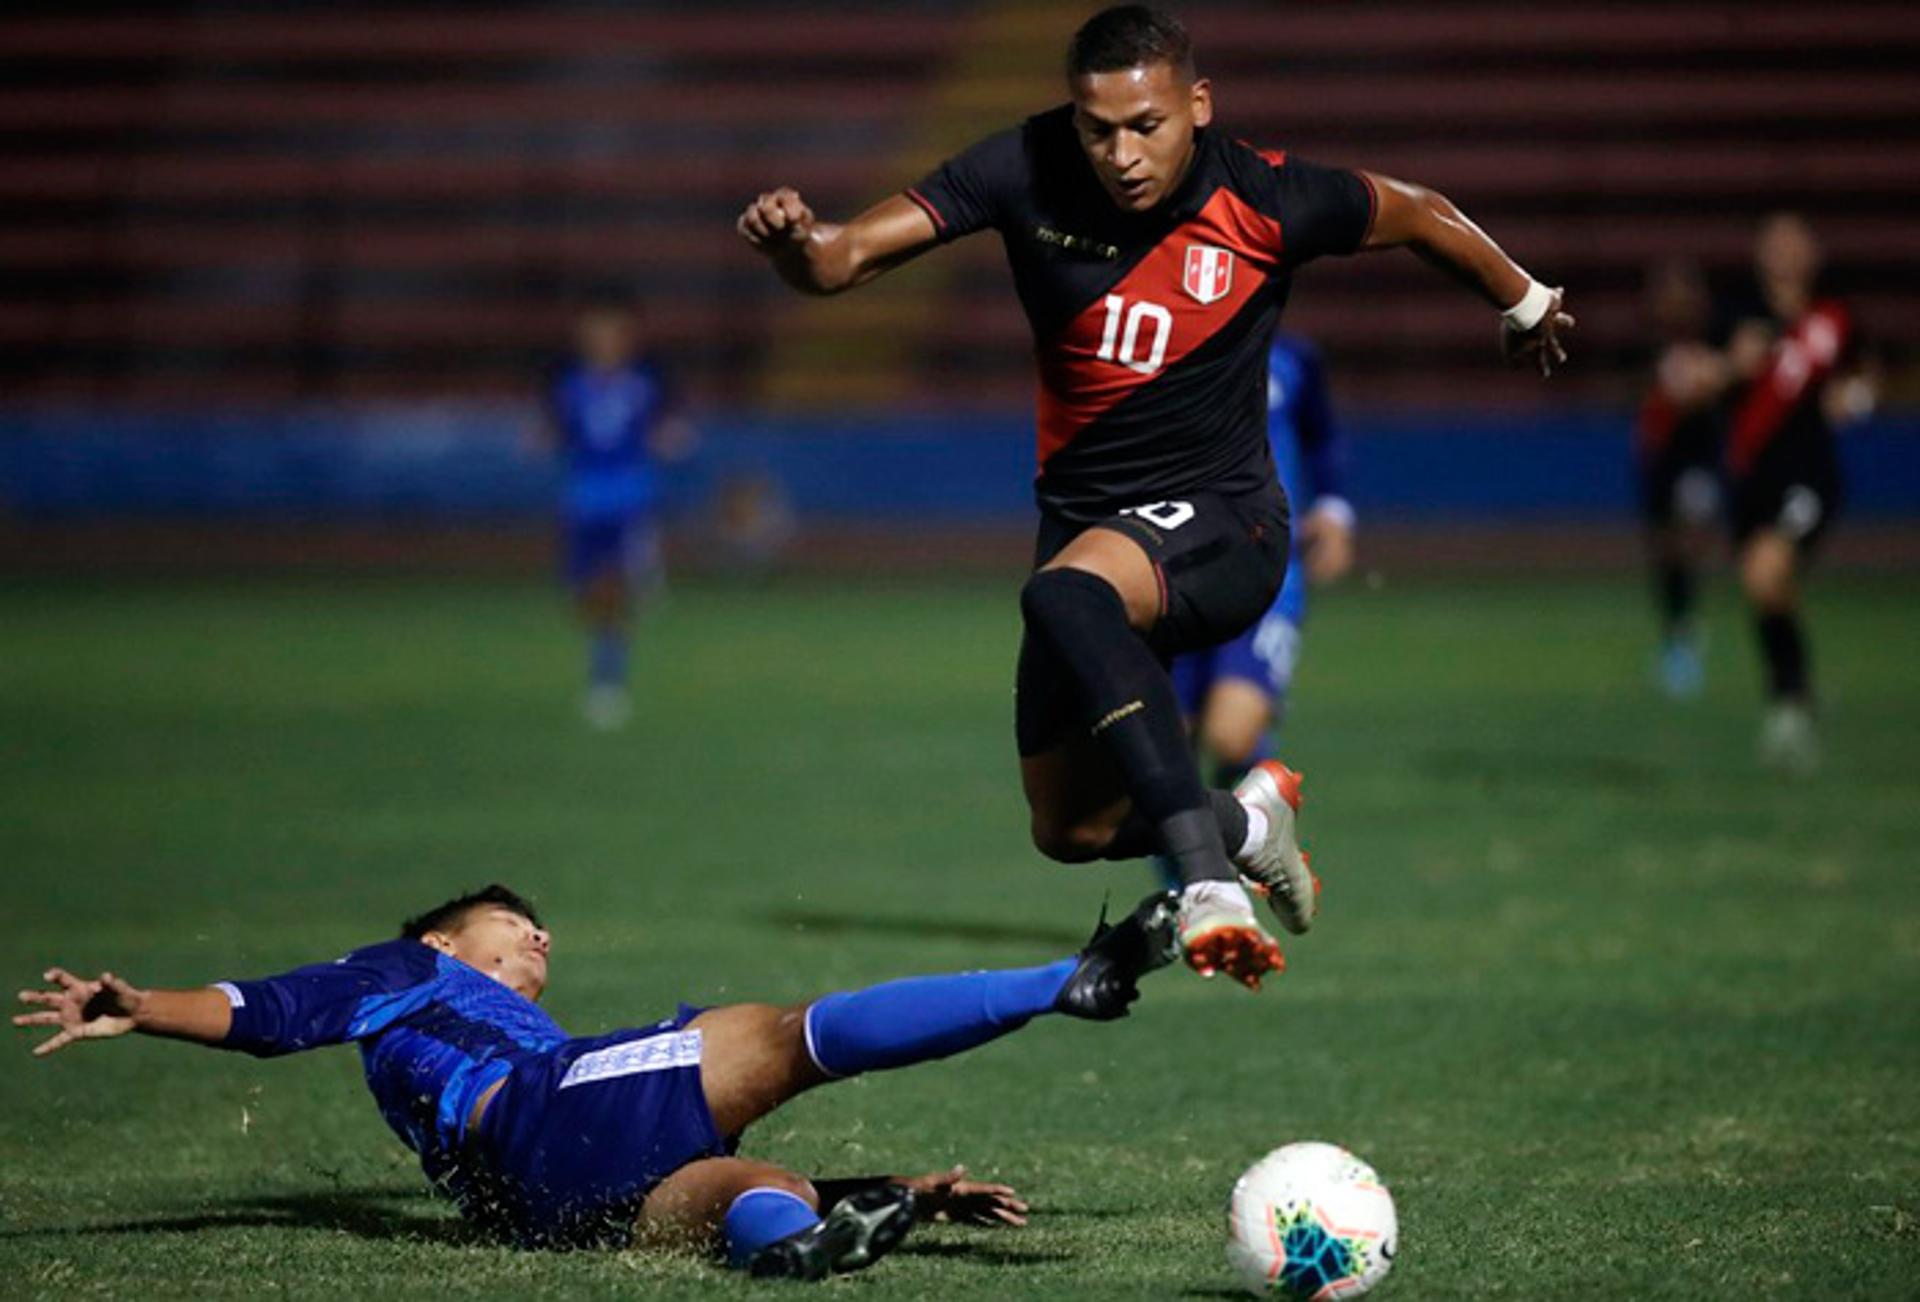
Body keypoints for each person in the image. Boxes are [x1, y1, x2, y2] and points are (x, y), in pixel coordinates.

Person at [737, 5, 1572, 988]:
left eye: (1149, 126)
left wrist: (1523, 302)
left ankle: (1208, 881)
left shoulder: (1264, 195)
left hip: (1230, 524)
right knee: (1068, 827)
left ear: (1197, 107)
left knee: (1064, 595)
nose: (1123, 154)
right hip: (1092, 536)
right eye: (1100, 130)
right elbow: (839, 260)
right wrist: (793, 242)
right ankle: (1247, 822)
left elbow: (1421, 212)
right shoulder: (1020, 168)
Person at [14, 883, 1180, 1279]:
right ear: (443, 940)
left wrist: (900, 1193)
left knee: (743, 1185)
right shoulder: (400, 970)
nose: (539, 944)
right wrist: (145, 1006)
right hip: (535, 1119)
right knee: (776, 1037)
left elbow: (612, 1140)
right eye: (513, 927)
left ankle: (790, 1254)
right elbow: (272, 1014)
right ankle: (1064, 978)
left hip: (544, 1211)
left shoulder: (487, 1049)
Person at [1720, 213, 1873, 771]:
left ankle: (1789, 698)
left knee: (1766, 571)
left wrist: (1854, 397)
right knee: (1765, 588)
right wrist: (1728, 365)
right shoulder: (1736, 312)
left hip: (1809, 473)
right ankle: (1794, 694)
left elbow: (1864, 377)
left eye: (1795, 242)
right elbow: (1703, 376)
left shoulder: (1834, 316)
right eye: (1775, 242)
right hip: (1750, 474)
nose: (1785, 252)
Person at [1172, 332, 1354, 791]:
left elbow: (1322, 434)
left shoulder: (1292, 356)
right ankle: (1195, 862)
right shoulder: (1168, 347)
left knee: (1231, 736)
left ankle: (1257, 813)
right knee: (1165, 745)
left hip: (1268, 568)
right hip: (1176, 567)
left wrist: (1334, 511)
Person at [538, 295, 694, 731]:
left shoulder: (646, 384)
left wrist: (669, 439)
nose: (603, 342)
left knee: (610, 592)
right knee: (583, 597)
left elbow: (671, 430)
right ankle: (634, 595)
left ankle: (607, 680)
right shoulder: (568, 385)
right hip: (581, 498)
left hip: (628, 498)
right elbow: (554, 433)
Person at [1633, 259, 1726, 699]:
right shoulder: (1649, 347)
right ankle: (1678, 629)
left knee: (1687, 537)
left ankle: (1686, 634)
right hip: (1658, 462)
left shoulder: (1714, 344)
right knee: (1664, 550)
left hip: (1696, 460)